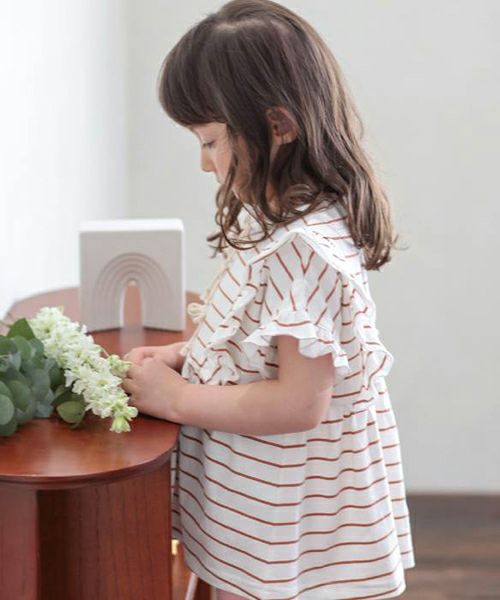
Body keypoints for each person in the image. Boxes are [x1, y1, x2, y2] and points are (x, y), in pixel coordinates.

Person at [121, 1, 415, 598]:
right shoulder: (281, 219)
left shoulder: (302, 248)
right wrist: (185, 354)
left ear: (277, 126)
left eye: (210, 141)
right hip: (258, 493)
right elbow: (258, 341)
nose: (204, 162)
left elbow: (299, 402)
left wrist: (176, 398)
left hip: (279, 510)